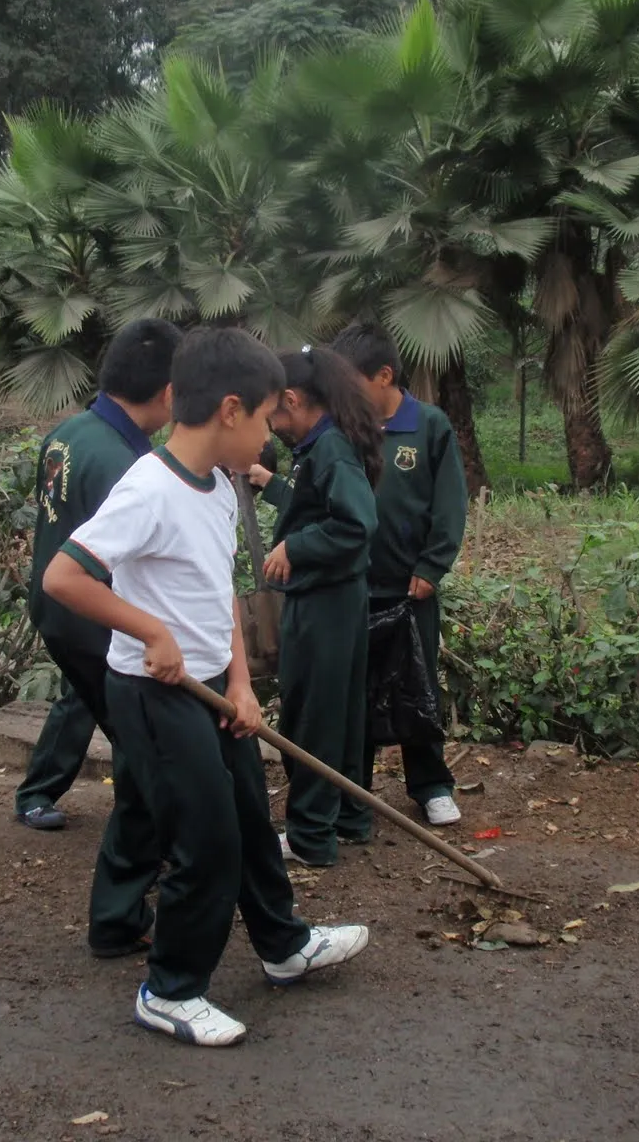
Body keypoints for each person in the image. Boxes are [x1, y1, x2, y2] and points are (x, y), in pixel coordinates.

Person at [43, 326, 370, 1047]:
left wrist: (244, 682)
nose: (268, 436)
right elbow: (63, 577)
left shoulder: (219, 487)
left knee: (252, 822)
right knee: (207, 841)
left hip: (214, 687)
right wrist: (149, 633)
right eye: (262, 419)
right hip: (157, 697)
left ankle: (283, 945)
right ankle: (170, 989)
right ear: (229, 410)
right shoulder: (148, 489)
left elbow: (216, 588)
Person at [16, 318, 180, 849]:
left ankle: (37, 792)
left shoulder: (68, 432)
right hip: (94, 615)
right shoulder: (124, 464)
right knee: (139, 729)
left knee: (82, 696)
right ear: (168, 392)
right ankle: (150, 836)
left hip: (55, 608)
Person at [329, 321, 469, 826]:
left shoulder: (429, 426)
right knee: (357, 689)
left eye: (353, 382)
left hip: (412, 589)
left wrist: (433, 565)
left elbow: (451, 504)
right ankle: (356, 787)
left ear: (384, 375)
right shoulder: (346, 429)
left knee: (418, 685)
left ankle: (431, 785)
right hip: (354, 587)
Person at [247, 348, 381, 866]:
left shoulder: (329, 449)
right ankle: (349, 817)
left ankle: (309, 836)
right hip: (337, 599)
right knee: (341, 713)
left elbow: (354, 523)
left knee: (313, 716)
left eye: (271, 414)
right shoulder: (320, 447)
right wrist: (273, 486)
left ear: (292, 400)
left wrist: (294, 548)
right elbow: (316, 503)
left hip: (324, 601)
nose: (272, 426)